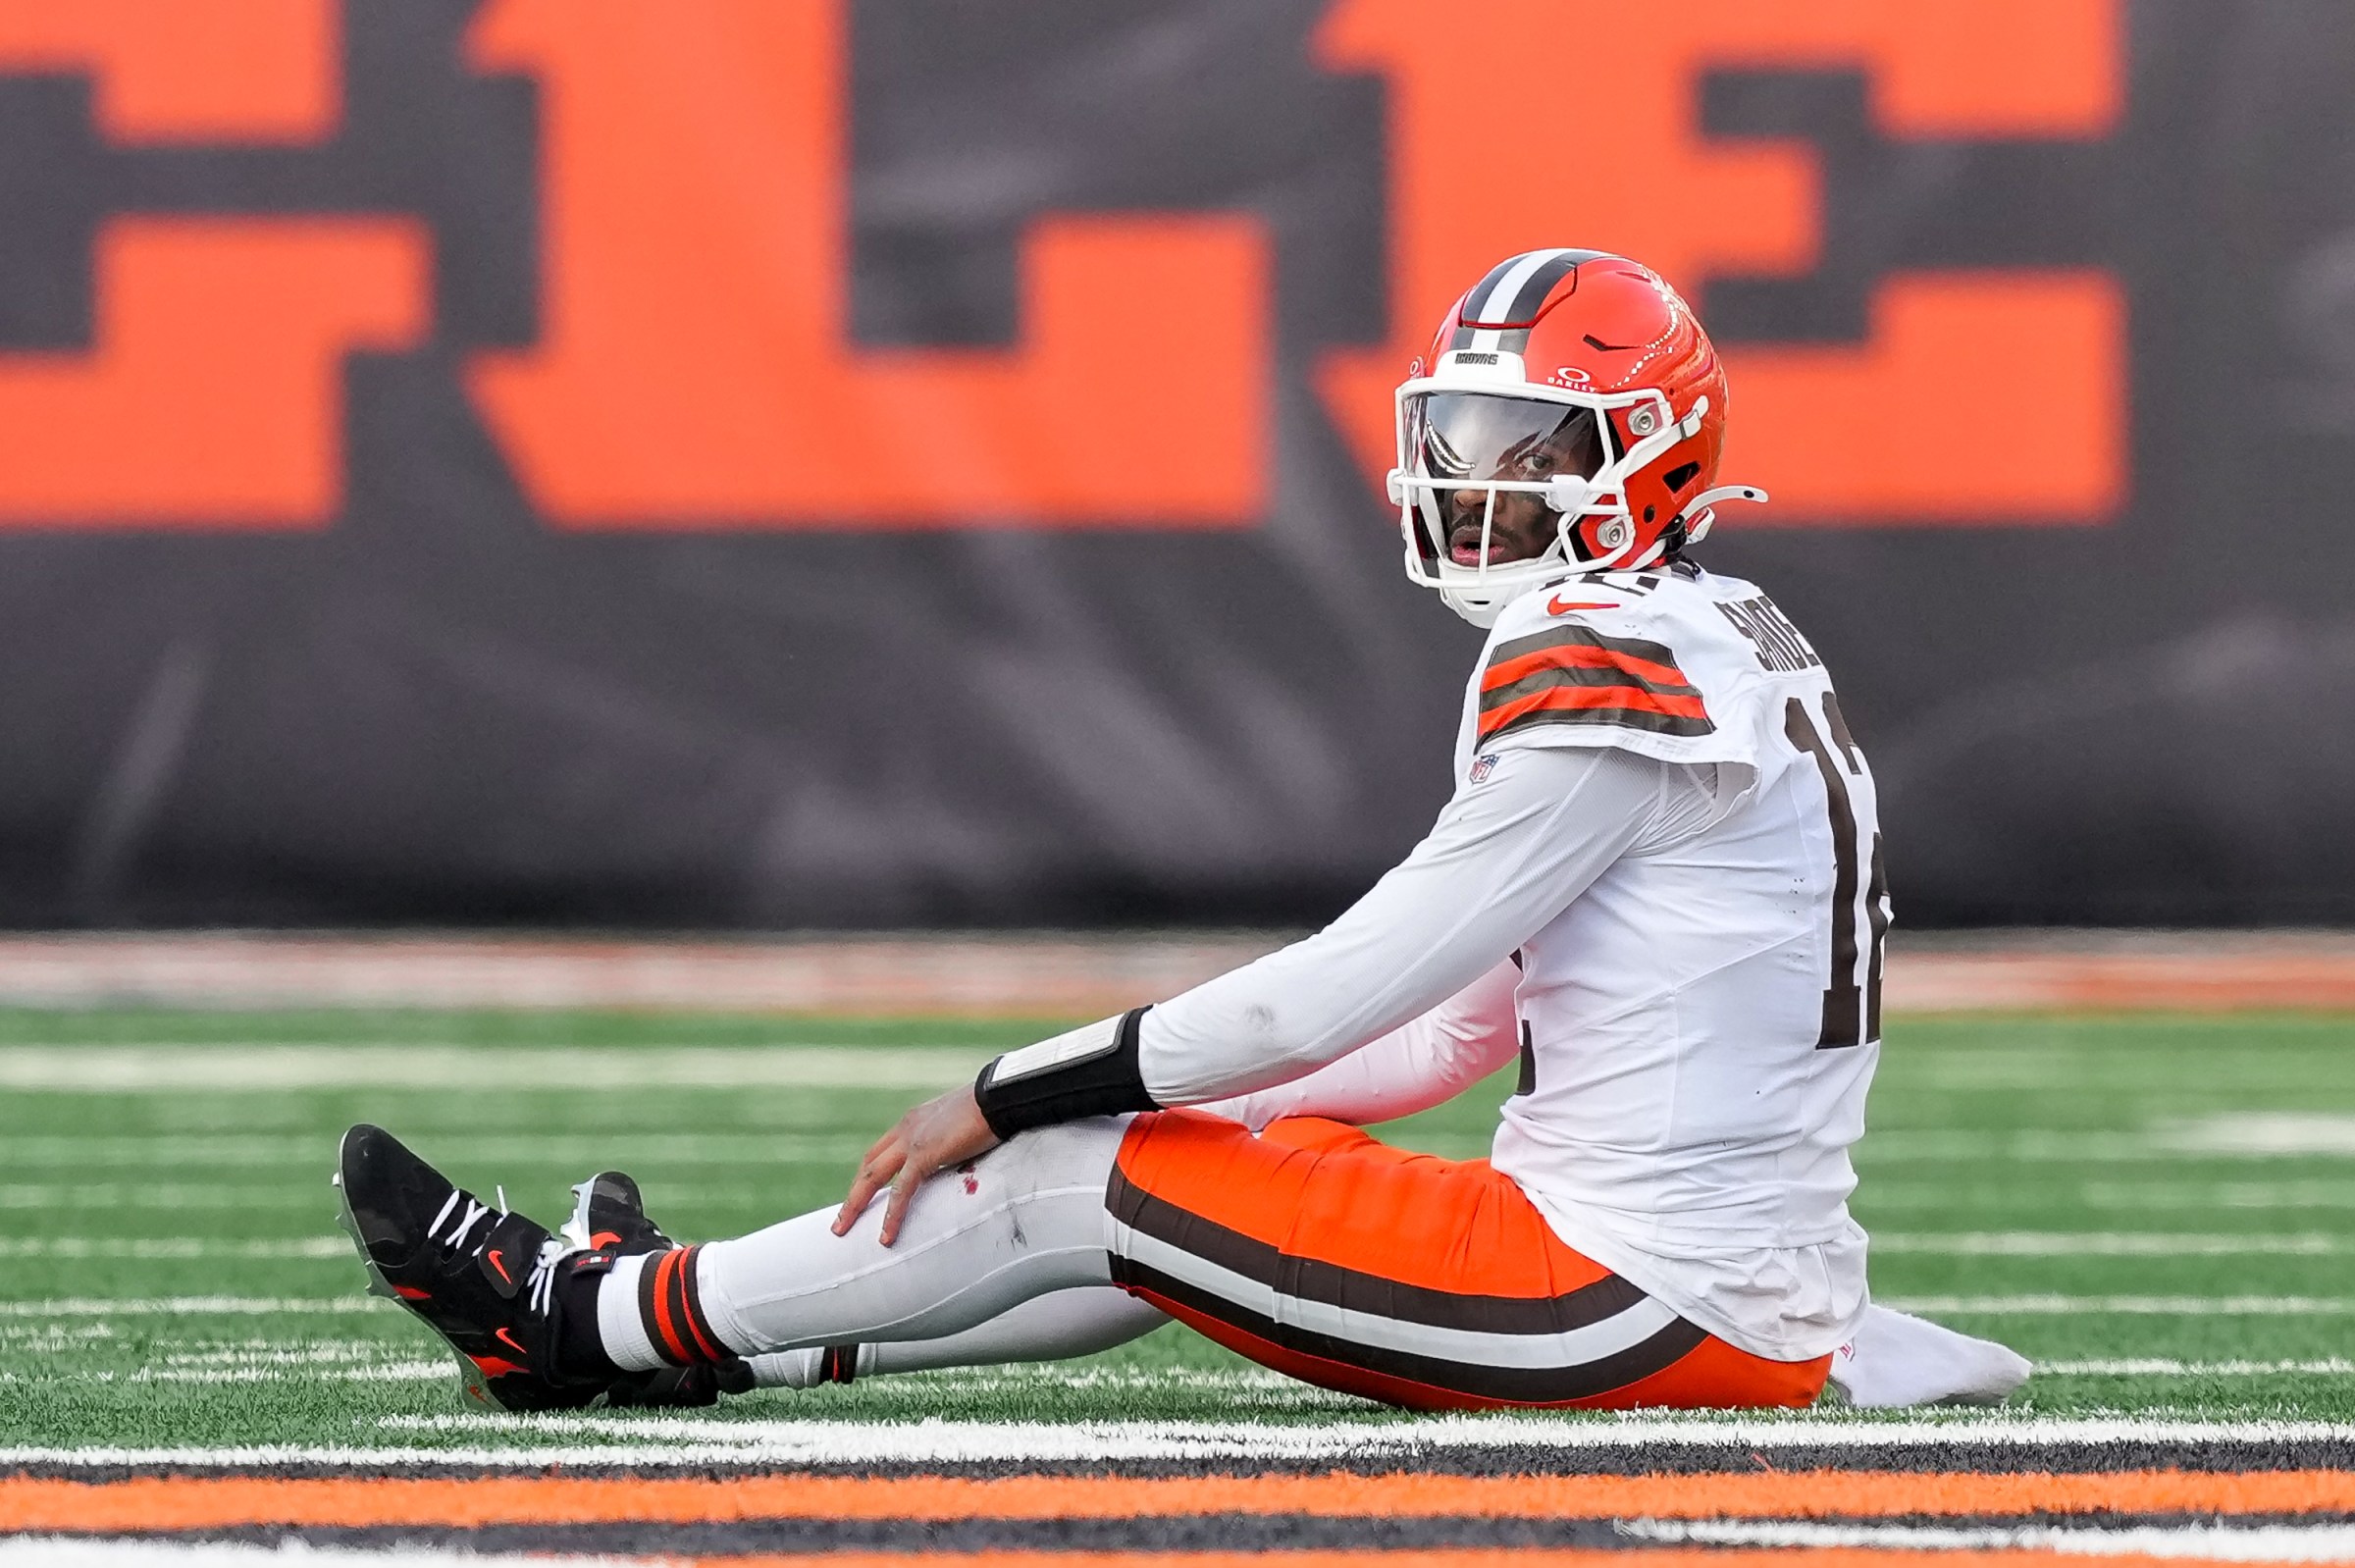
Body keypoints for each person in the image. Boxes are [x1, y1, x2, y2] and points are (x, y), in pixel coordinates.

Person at [335, 248, 2029, 1413]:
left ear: (1643, 456)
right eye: (1461, 437)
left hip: (1632, 1305)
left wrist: (1011, 1091)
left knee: (1089, 1165)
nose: (1473, 479)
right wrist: (1199, 1106)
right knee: (1174, 1182)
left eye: (1524, 445)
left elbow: (1343, 994)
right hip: (1711, 1292)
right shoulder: (1724, 635)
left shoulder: (1602, 655)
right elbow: (1456, 1026)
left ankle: (579, 1318)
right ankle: (682, 1332)